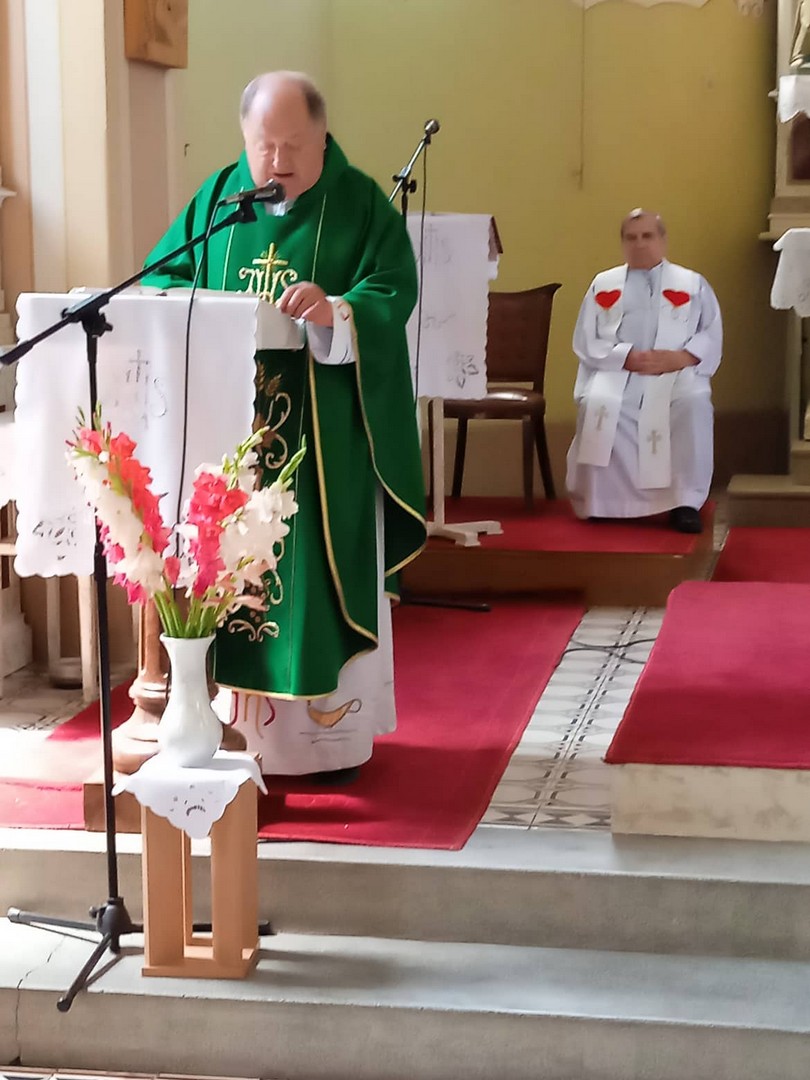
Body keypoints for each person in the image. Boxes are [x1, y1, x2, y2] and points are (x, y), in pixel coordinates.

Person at [143, 71, 426, 778]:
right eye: (263, 145)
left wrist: (336, 310)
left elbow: (393, 290)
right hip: (233, 434)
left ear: (322, 136)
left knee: (314, 583)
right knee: (230, 569)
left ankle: (326, 747)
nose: (276, 161)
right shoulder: (220, 198)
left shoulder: (359, 202)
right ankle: (227, 734)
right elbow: (161, 277)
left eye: (293, 144)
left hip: (326, 438)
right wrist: (194, 307)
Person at [565, 209, 722, 534]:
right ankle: (603, 501)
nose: (639, 244)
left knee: (693, 403)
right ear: (622, 242)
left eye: (647, 236)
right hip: (620, 371)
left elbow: (711, 331)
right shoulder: (603, 283)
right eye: (631, 237)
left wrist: (682, 357)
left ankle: (684, 503)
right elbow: (585, 337)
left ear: (662, 240)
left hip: (675, 372)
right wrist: (624, 358)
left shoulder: (692, 283)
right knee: (597, 403)